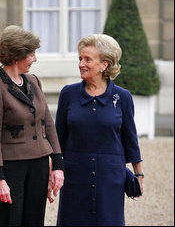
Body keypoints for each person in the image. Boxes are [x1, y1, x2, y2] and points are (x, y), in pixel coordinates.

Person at [55, 34, 144, 226]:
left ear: (104, 65)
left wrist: (138, 174)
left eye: (88, 59)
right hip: (75, 175)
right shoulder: (68, 94)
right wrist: (54, 170)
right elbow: (58, 139)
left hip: (110, 177)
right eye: (80, 58)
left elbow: (130, 138)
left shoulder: (123, 97)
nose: (81, 64)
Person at [0, 25, 65, 226]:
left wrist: (58, 163)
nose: (35, 59)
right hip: (11, 168)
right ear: (16, 54)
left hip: (39, 164)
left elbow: (48, 124)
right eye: (31, 54)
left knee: (34, 221)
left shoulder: (33, 81)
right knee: (9, 221)